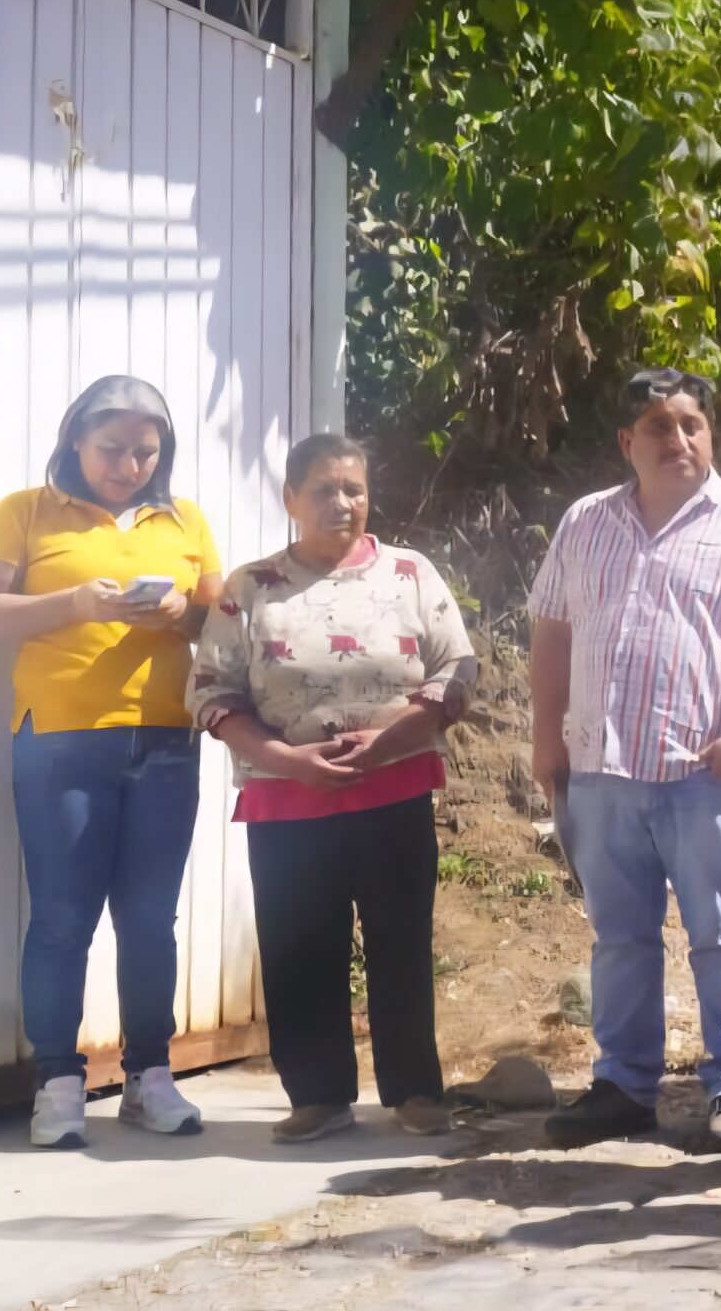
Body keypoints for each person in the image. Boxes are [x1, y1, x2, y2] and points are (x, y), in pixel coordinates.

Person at [528, 368, 721, 1152]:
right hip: (603, 769)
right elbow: (552, 630)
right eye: (659, 426)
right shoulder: (585, 522)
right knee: (619, 937)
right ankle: (623, 1084)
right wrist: (548, 740)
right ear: (627, 442)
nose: (678, 439)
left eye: (692, 424)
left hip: (705, 772)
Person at [189, 434, 477, 1143]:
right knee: (297, 945)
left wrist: (386, 742)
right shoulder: (252, 589)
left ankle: (413, 1091)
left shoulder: (409, 574)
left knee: (400, 942)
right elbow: (212, 691)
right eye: (323, 488)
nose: (342, 502)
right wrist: (287, 759)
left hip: (394, 791)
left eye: (353, 487)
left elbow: (456, 672)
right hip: (287, 799)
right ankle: (317, 1095)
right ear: (290, 498)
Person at [0, 376, 223, 1149]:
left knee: (150, 920)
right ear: (73, 442)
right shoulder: (26, 511)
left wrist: (180, 613)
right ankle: (57, 1086)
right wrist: (73, 605)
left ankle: (149, 1077)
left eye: (145, 451)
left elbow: (219, 616)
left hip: (164, 740)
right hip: (60, 737)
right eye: (112, 449)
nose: (129, 465)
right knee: (62, 921)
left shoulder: (183, 519)